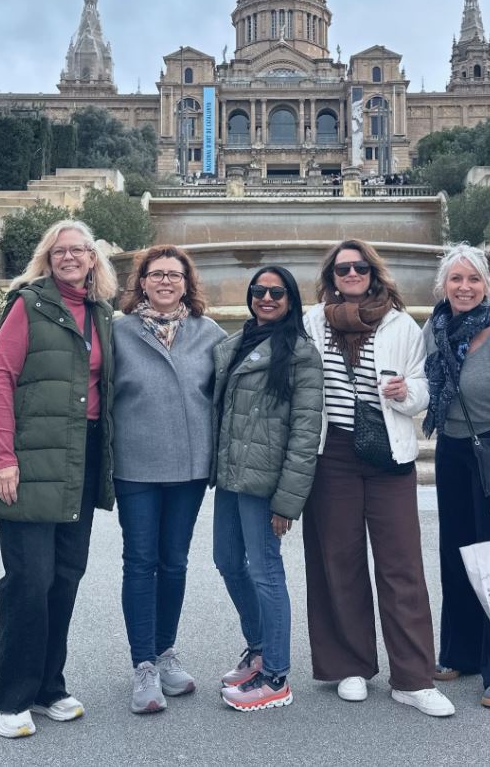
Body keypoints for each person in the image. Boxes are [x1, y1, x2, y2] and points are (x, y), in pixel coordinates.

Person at [0, 220, 118, 739]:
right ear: (47, 257)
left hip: (80, 463)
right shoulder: (27, 303)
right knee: (28, 582)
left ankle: (48, 687)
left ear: (94, 260)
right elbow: (2, 378)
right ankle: (11, 695)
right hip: (30, 461)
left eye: (80, 250)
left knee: (63, 580)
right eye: (61, 251)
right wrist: (6, 458)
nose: (71, 257)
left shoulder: (102, 313)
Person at [302, 239, 454, 717]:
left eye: (360, 266)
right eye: (343, 268)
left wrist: (406, 393)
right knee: (338, 560)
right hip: (334, 454)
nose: (352, 273)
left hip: (388, 454)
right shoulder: (313, 321)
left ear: (373, 273)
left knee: (401, 564)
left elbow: (425, 385)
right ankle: (350, 665)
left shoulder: (400, 323)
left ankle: (412, 678)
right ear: (332, 276)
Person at [112, 245, 226, 714]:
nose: (164, 282)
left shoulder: (210, 333)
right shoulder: (118, 331)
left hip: (189, 467)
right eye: (155, 274)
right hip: (135, 464)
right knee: (141, 560)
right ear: (141, 282)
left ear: (186, 283)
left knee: (174, 560)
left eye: (173, 276)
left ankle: (165, 651)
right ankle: (143, 665)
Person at [422, 243, 490, 710]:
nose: (464, 287)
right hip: (452, 452)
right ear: (443, 286)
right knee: (458, 554)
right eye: (455, 279)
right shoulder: (435, 327)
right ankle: (462, 653)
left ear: (485, 285)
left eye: (472, 279)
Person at [212, 266, 323, 712]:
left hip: (265, 482)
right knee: (226, 560)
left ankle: (276, 676)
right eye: (259, 290)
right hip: (230, 477)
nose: (267, 298)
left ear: (291, 300)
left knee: (266, 571)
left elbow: (305, 431)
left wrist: (287, 501)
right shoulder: (236, 343)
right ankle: (258, 648)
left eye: (278, 292)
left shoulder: (300, 352)